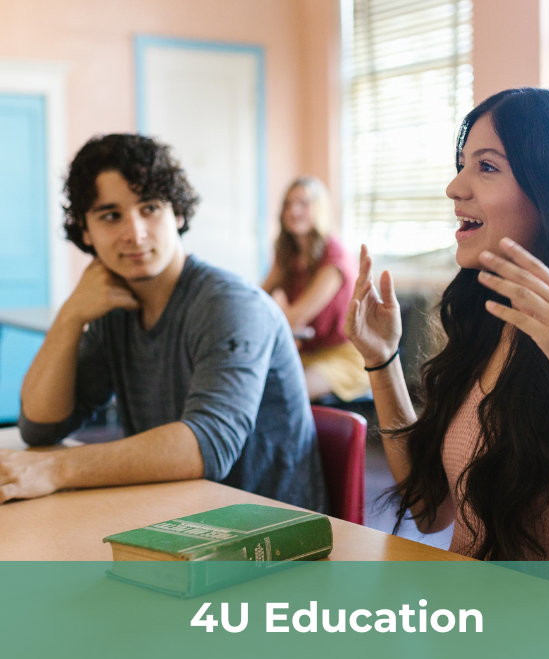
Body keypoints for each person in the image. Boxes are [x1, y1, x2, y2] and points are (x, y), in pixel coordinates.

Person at [345, 88, 549, 564]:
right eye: (461, 164)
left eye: (487, 166)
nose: (455, 188)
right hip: (478, 620)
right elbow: (428, 510)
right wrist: (382, 360)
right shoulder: (491, 319)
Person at [0, 134, 326, 512]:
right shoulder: (115, 306)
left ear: (179, 213)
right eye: (111, 215)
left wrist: (56, 469)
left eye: (150, 208)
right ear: (85, 232)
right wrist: (71, 316)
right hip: (172, 515)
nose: (135, 233)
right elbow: (41, 426)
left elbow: (209, 447)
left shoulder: (229, 303)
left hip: (268, 537)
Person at [262, 176, 370, 402]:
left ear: (319, 208)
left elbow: (296, 315)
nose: (294, 210)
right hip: (305, 354)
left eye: (303, 203)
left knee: (280, 391)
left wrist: (276, 304)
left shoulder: (334, 257)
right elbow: (257, 298)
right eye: (288, 204)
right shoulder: (287, 255)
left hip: (345, 356)